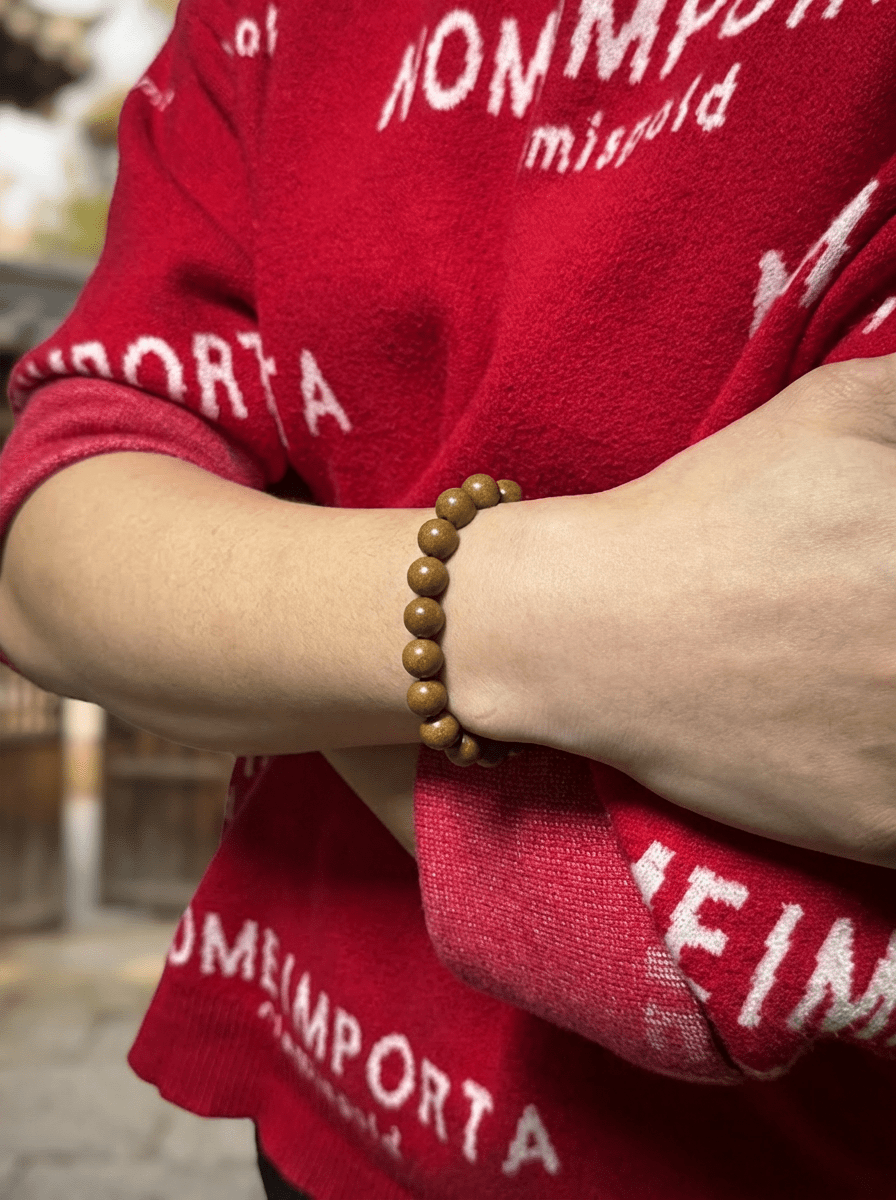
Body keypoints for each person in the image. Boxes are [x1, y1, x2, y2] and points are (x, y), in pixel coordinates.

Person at [1, 0, 895, 1195]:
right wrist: (557, 621)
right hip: (333, 1080)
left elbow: (728, 955)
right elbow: (58, 535)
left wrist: (276, 577)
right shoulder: (261, 22)